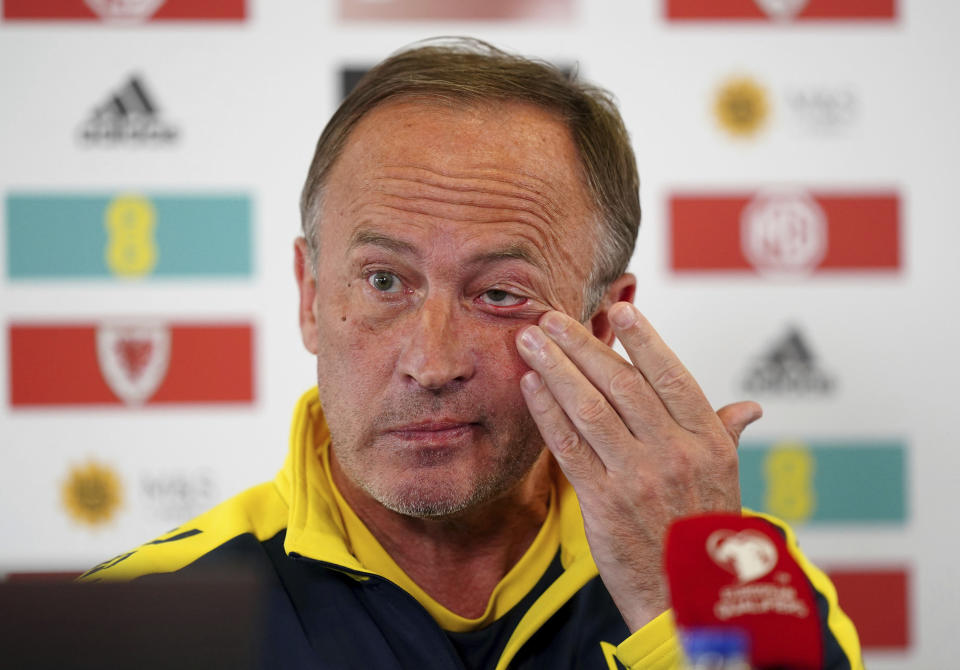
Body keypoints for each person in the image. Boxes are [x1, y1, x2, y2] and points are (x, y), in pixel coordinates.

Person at [82, 38, 863, 669]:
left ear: (601, 325)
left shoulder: (743, 582)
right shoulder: (142, 615)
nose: (432, 362)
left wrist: (682, 605)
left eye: (498, 294)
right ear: (311, 297)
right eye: (385, 280)